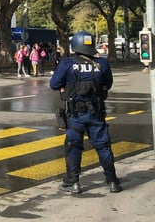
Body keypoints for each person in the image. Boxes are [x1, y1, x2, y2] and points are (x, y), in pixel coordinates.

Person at [49, 31, 121, 194]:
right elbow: (108, 84)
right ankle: (112, 182)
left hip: (75, 115)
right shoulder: (102, 63)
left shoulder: (67, 63)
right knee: (103, 147)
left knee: (73, 147)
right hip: (96, 112)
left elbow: (54, 84)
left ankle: (73, 182)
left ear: (75, 45)